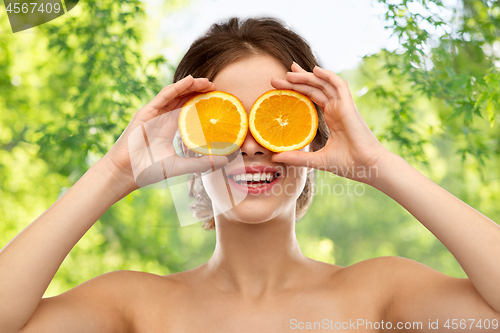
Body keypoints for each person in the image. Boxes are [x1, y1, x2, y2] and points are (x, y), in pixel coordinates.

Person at [1, 16, 499, 333]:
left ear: (317, 137)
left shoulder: (378, 295)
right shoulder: (134, 305)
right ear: (185, 141)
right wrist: (115, 172)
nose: (253, 143)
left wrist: (379, 165)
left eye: (275, 118)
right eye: (224, 121)